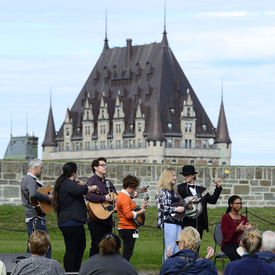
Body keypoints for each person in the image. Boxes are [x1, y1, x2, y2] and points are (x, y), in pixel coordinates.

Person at [52, 162, 97, 272]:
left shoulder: (69, 183)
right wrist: (92, 187)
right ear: (74, 172)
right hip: (70, 222)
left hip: (76, 222)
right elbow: (82, 190)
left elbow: (79, 192)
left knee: (80, 247)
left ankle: (76, 271)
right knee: (72, 249)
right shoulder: (67, 183)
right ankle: (70, 272)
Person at [177, 165, 222, 239]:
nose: (185, 177)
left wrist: (218, 187)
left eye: (187, 175)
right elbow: (178, 202)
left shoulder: (202, 190)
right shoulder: (180, 188)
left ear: (193, 175)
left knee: (197, 245)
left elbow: (212, 200)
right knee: (186, 243)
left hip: (199, 222)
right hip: (186, 221)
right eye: (184, 175)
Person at [21, 158, 53, 259]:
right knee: (45, 246)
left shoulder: (30, 180)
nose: (42, 170)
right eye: (41, 168)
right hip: (35, 219)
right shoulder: (29, 179)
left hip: (34, 218)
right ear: (35, 167)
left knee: (32, 247)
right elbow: (33, 194)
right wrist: (48, 197)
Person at [85, 157, 117, 257]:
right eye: (102, 165)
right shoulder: (92, 181)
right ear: (95, 167)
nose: (105, 167)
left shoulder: (109, 183)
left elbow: (115, 197)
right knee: (96, 246)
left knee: (108, 247)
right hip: (96, 220)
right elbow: (87, 195)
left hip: (107, 219)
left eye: (105, 165)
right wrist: (104, 197)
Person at [156, 168, 188, 260]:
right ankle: (167, 269)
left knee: (178, 249)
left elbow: (179, 205)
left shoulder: (174, 191)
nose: (175, 177)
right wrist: (176, 209)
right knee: (170, 248)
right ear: (167, 177)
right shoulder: (162, 191)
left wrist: (186, 206)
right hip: (168, 222)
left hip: (177, 222)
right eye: (173, 175)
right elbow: (161, 208)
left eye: (175, 175)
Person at [116, 175, 149, 261]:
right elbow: (128, 215)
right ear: (130, 186)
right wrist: (141, 212)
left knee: (127, 253)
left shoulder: (124, 196)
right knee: (127, 255)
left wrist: (141, 207)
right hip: (127, 228)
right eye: (134, 188)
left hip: (128, 228)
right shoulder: (124, 197)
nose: (135, 190)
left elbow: (131, 210)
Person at [221, 195, 253, 261]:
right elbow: (225, 234)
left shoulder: (244, 218)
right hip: (229, 245)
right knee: (237, 258)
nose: (239, 205)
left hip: (241, 245)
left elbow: (246, 235)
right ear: (231, 204)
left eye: (240, 203)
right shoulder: (225, 217)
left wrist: (249, 229)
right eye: (237, 203)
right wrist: (236, 229)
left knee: (250, 257)